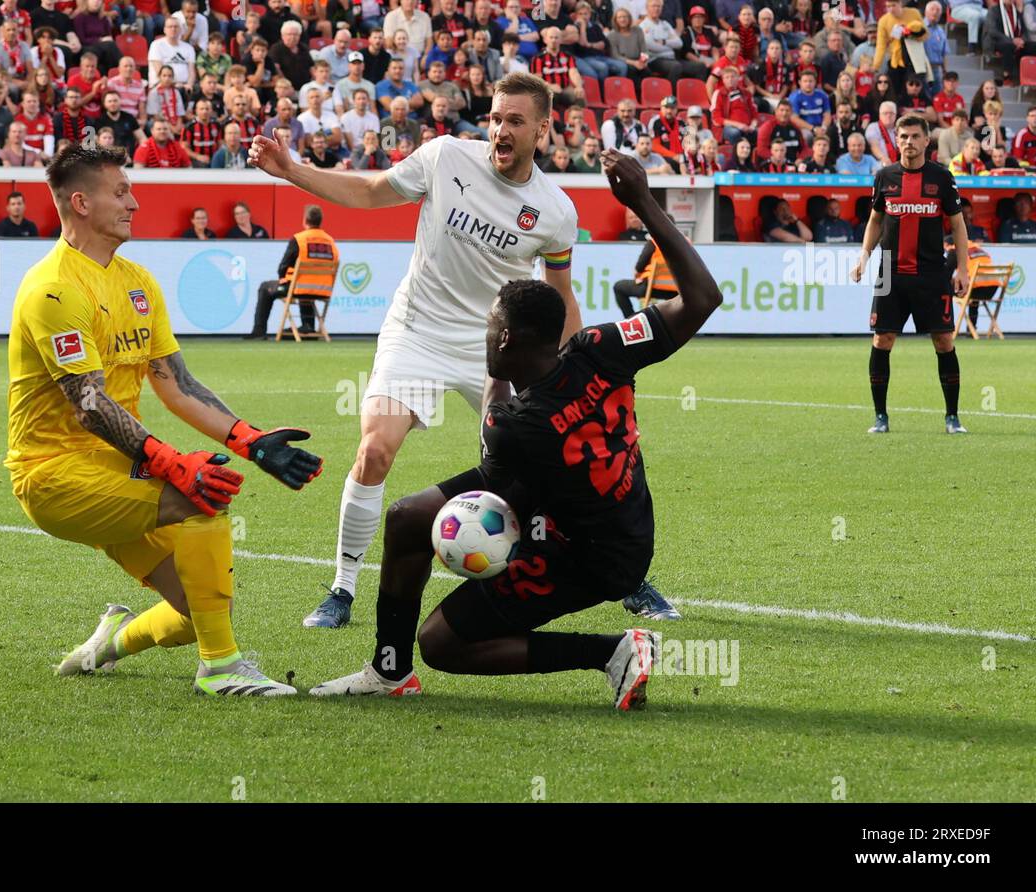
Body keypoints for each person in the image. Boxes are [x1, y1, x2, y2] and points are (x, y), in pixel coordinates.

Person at [247, 72, 680, 631]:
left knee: (555, 463)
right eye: (496, 118)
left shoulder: (555, 210)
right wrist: (291, 171)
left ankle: (625, 578)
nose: (500, 130)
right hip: (418, 329)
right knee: (375, 451)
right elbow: (372, 192)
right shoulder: (445, 156)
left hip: (499, 348)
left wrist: (578, 370)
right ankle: (341, 588)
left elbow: (560, 293)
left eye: (515, 121)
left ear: (543, 130)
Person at [308, 150, 723, 705]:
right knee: (407, 517)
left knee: (441, 643)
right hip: (602, 509)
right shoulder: (600, 349)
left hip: (590, 552)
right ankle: (387, 672)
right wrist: (643, 202)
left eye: (489, 328)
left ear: (504, 342)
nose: (482, 336)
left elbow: (497, 475)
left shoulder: (514, 425)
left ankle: (610, 652)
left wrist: (493, 380)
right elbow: (705, 298)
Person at [10, 143, 323, 695]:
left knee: (193, 609)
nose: (134, 201)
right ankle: (221, 668)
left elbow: (175, 385)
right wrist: (171, 461)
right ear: (80, 203)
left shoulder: (138, 282)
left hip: (116, 467)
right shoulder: (53, 289)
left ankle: (108, 644)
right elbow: (89, 403)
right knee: (204, 495)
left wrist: (252, 441)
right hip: (53, 474)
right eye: (121, 191)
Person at [851, 114, 970, 435]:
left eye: (915, 136)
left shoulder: (943, 178)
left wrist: (962, 267)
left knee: (944, 341)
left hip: (932, 274)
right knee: (882, 339)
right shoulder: (885, 176)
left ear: (927, 141)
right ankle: (880, 417)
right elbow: (875, 220)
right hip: (891, 273)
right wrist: (864, 256)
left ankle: (952, 417)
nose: (908, 142)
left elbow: (958, 225)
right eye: (903, 136)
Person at [242, 205, 339, 339]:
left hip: (299, 288)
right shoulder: (331, 242)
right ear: (320, 221)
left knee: (265, 287)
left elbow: (283, 266)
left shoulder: (299, 239)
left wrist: (282, 278)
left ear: (305, 220)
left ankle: (259, 331)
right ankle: (308, 327)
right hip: (323, 290)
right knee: (304, 285)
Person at [612, 227, 679, 317]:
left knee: (618, 287)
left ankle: (631, 320)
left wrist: (638, 277)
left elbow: (639, 267)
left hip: (653, 288)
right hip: (677, 292)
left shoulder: (654, 242)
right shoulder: (684, 244)